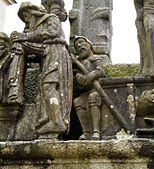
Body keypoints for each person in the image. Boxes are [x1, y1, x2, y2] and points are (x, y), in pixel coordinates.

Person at [8, 2, 73, 139]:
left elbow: (52, 33)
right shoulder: (36, 28)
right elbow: (36, 51)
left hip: (56, 53)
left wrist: (26, 37)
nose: (26, 19)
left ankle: (57, 122)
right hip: (48, 55)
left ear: (34, 12)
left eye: (26, 15)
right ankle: (49, 121)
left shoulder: (50, 18)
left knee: (48, 86)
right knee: (44, 91)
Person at [72, 36, 105, 140]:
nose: (80, 46)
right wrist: (82, 78)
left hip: (96, 90)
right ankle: (86, 132)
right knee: (77, 101)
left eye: (82, 43)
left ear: (89, 44)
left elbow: (101, 71)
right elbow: (80, 80)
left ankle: (96, 131)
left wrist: (92, 75)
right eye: (77, 46)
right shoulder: (78, 65)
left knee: (93, 97)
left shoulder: (95, 59)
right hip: (84, 92)